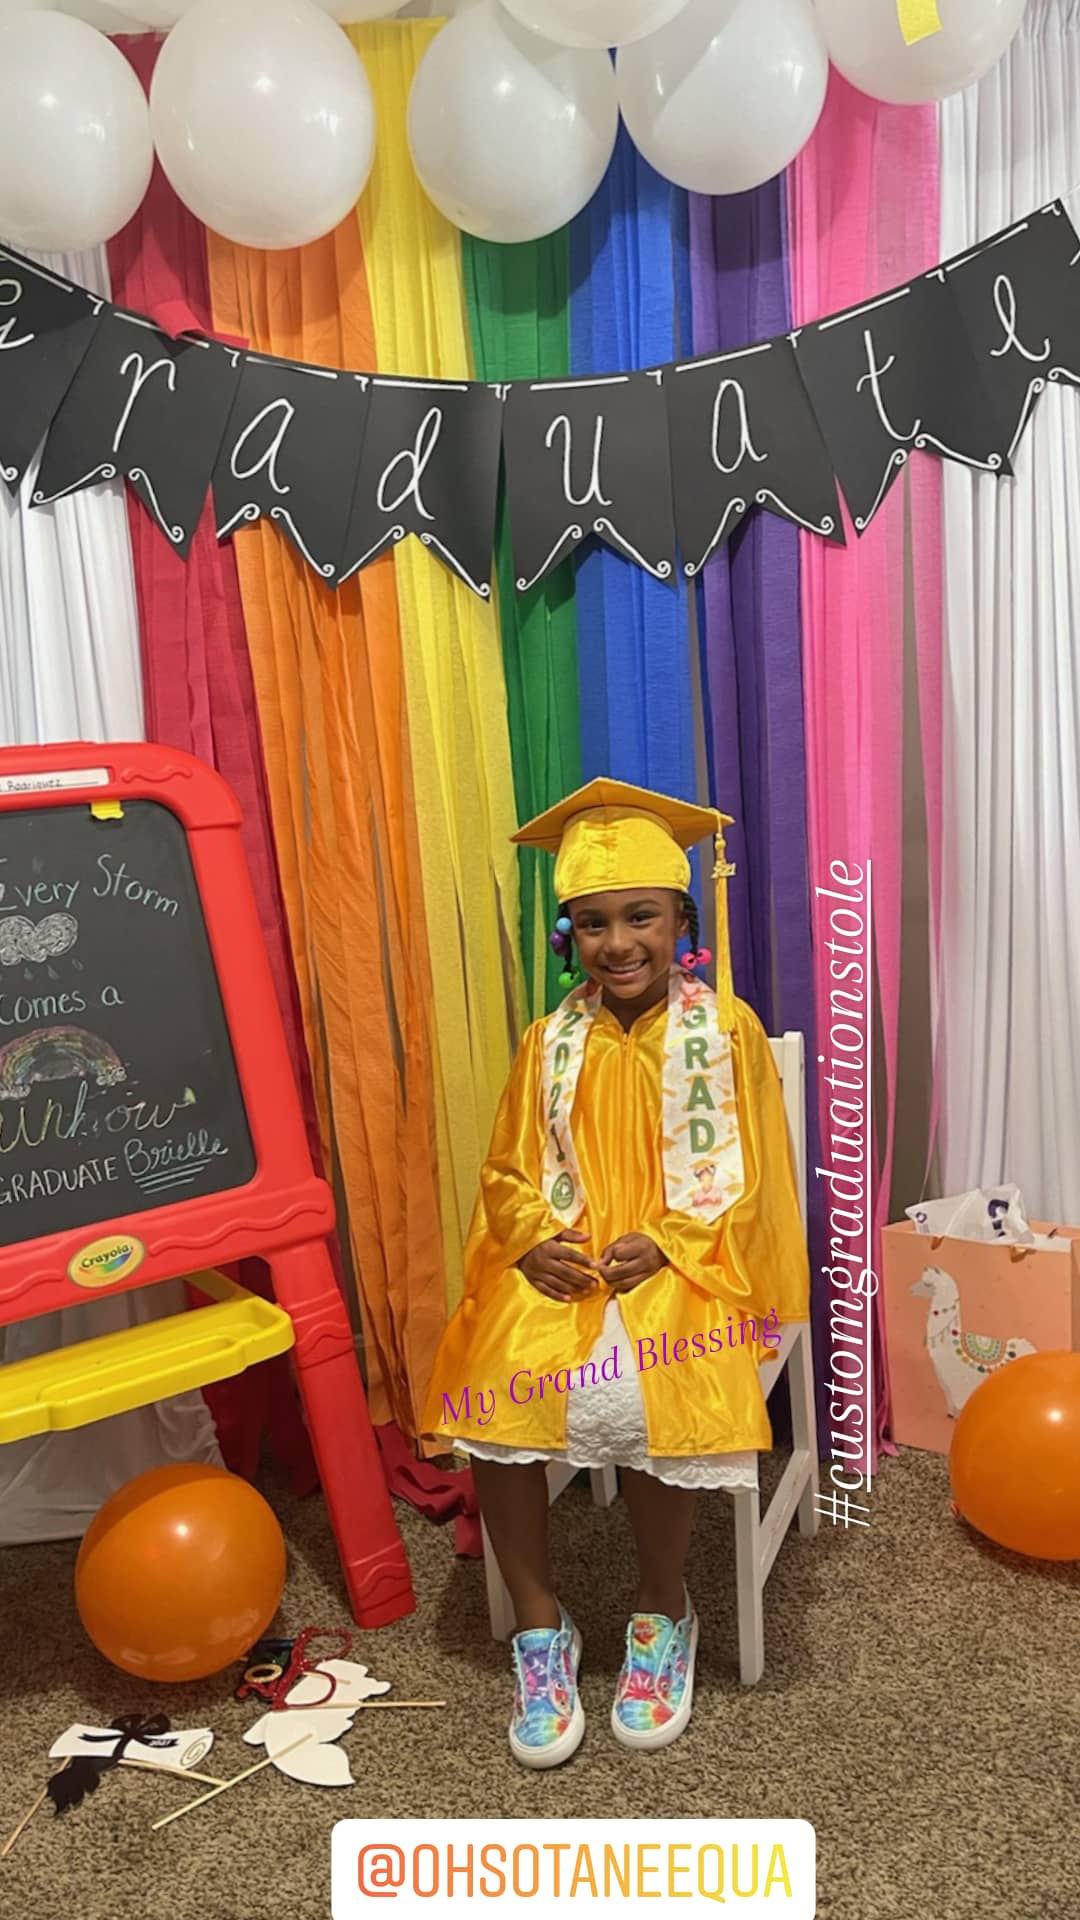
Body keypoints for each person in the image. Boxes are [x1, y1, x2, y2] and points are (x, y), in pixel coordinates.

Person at [422, 779, 808, 1769]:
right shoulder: (548, 1041)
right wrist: (526, 1241)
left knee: (654, 1388)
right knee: (496, 1378)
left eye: (641, 916)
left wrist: (671, 1241)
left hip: (692, 1260)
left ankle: (662, 1609)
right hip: (566, 1255)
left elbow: (757, 1178)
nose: (618, 942)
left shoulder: (724, 1031)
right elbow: (508, 1168)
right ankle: (541, 1624)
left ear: (682, 920)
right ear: (570, 936)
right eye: (592, 923)